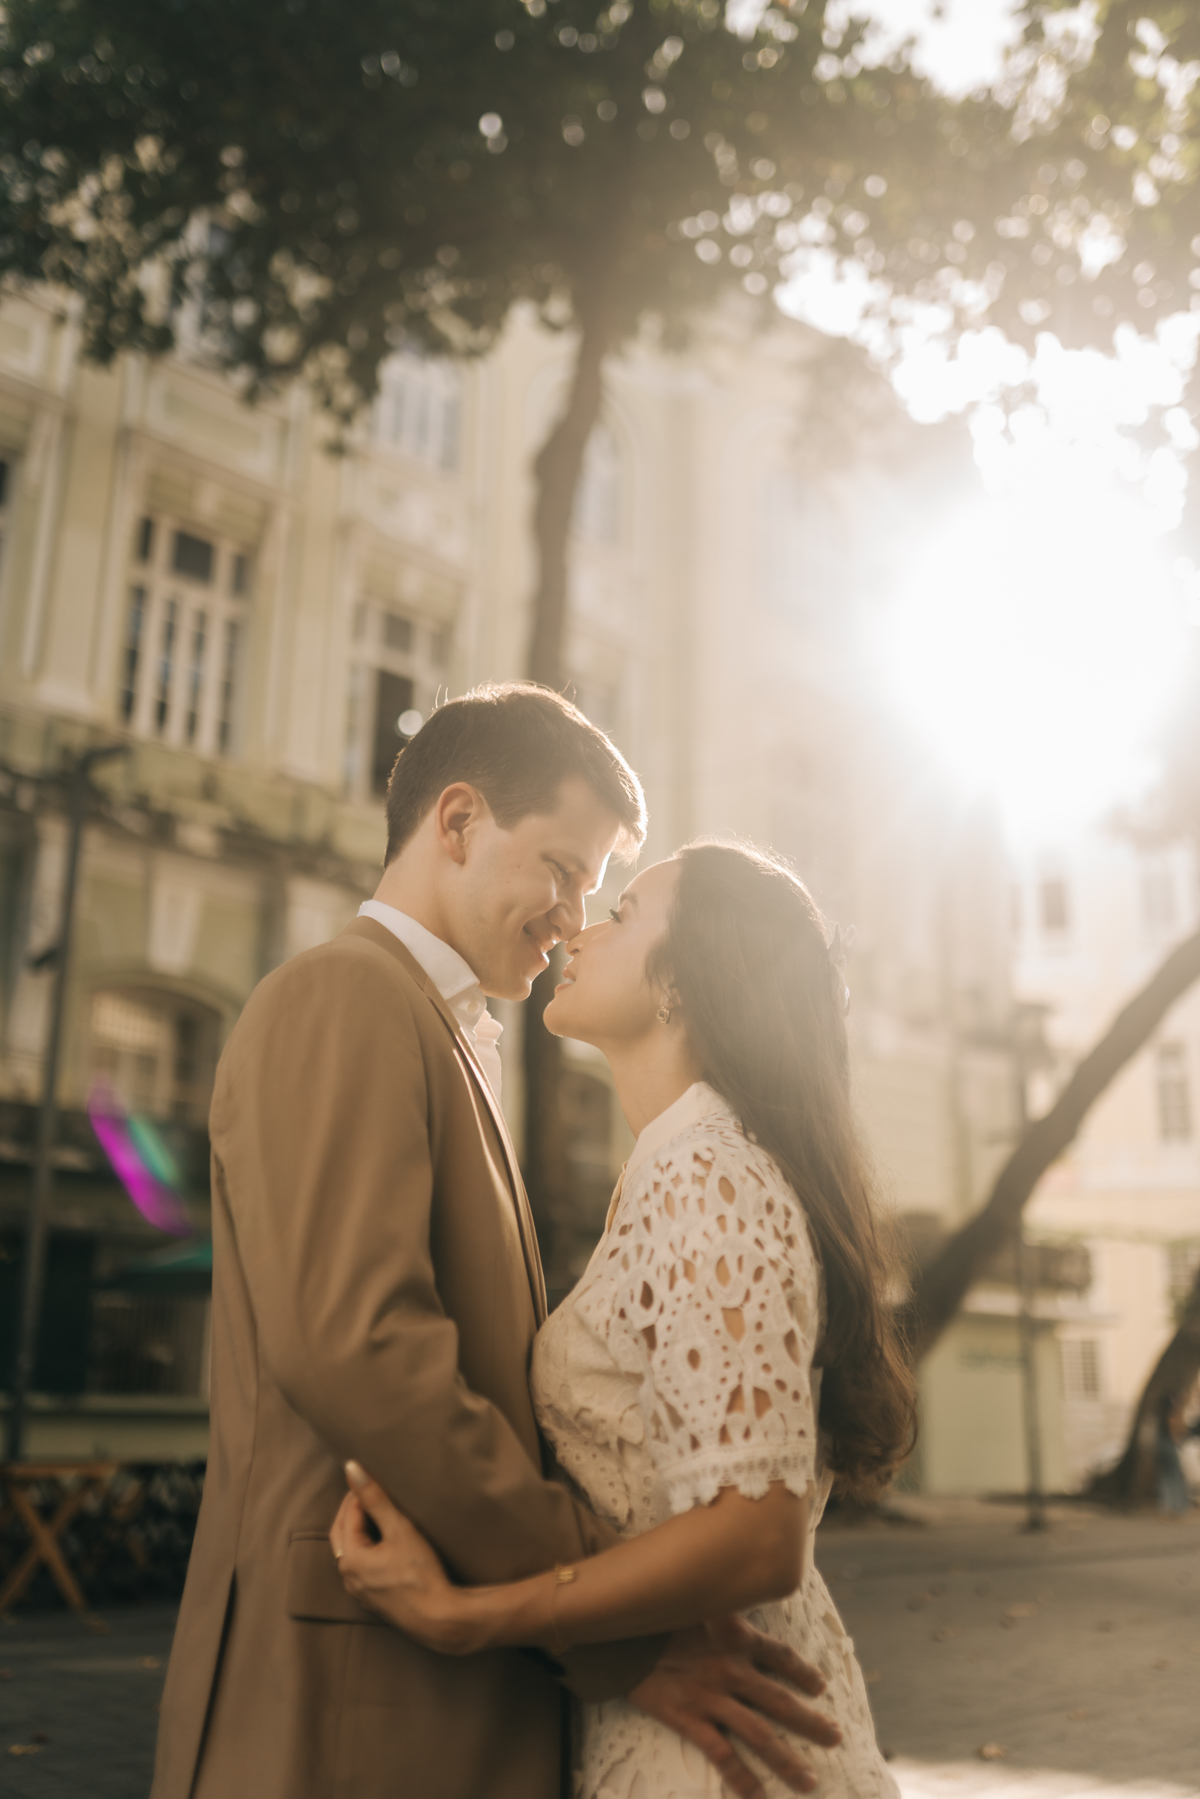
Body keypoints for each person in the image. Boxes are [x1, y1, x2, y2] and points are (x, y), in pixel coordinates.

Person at [152, 687, 840, 1799]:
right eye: (565, 870)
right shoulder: (344, 998)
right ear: (459, 821)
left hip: (423, 1682)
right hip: (347, 1693)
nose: (574, 916)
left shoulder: (441, 1035)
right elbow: (364, 1349)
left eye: (599, 891)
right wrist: (614, 1619)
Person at [331, 841, 918, 1798]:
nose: (576, 924)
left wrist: (469, 1613)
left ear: (682, 978)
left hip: (725, 1755)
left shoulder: (711, 1171)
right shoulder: (679, 1164)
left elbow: (756, 1537)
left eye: (625, 910)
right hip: (690, 1724)